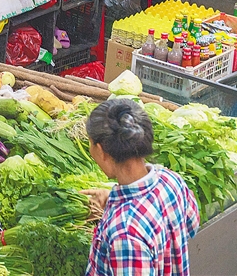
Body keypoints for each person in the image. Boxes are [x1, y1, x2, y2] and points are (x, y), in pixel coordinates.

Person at [82, 99, 200, 276]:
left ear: (101, 151)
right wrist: (112, 202)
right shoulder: (171, 180)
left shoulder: (125, 234)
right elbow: (192, 225)